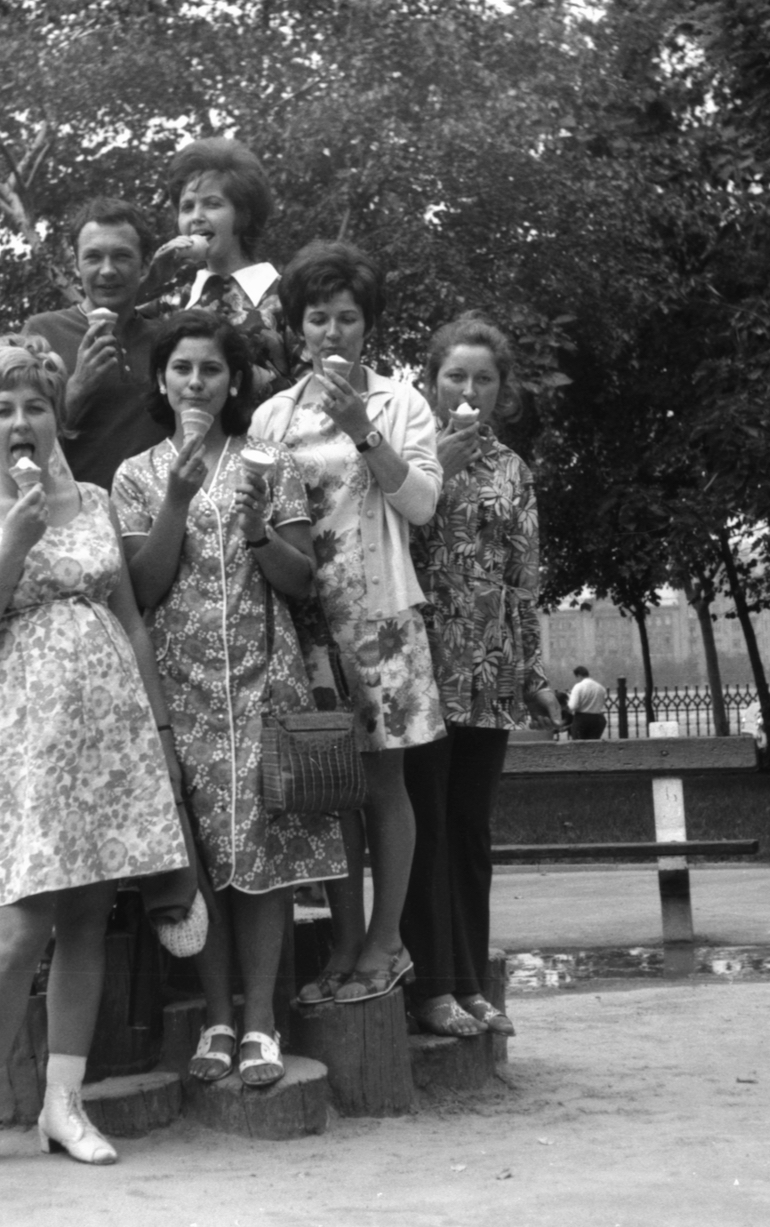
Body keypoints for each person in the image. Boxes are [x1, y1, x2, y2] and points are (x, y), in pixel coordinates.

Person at [0, 335, 193, 1174]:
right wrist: (11, 545)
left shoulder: (97, 499)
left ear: (55, 417)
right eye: (2, 408)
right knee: (19, 925)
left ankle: (63, 1106)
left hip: (109, 737)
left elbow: (131, 621)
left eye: (35, 404)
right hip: (19, 743)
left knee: (87, 920)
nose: (20, 421)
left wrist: (159, 733)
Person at [113, 310, 346, 1087]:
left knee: (263, 856)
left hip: (264, 685)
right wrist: (177, 501)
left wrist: (255, 530)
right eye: (181, 368)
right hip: (181, 692)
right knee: (204, 856)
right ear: (161, 379)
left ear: (235, 379)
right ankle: (216, 1018)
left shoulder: (268, 462)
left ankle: (260, 1022)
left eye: (211, 368)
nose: (196, 382)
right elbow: (141, 589)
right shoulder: (136, 475)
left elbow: (302, 580)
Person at [250, 240, 445, 1005]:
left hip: (380, 617)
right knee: (330, 785)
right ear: (297, 327)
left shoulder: (401, 403)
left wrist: (364, 428)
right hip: (305, 622)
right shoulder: (272, 414)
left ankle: (386, 940)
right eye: (317, 319)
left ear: (369, 324)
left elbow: (421, 505)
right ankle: (342, 940)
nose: (332, 332)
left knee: (384, 780)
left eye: (346, 318)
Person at [401, 316, 565, 1039]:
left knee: (469, 831)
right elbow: (383, 540)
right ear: (431, 381)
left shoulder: (513, 471)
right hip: (418, 670)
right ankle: (432, 987)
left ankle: (471, 984)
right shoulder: (406, 455)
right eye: (455, 376)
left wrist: (532, 673)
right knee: (425, 829)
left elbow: (524, 579)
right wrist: (432, 464)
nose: (469, 390)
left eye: (484, 378)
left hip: (489, 673)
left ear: (503, 390)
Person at [23, 198, 169, 488]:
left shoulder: (166, 339)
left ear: (144, 264)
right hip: (76, 508)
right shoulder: (41, 333)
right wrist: (77, 387)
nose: (107, 270)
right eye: (93, 257)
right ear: (75, 263)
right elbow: (18, 439)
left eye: (122, 256)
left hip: (159, 507)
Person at [150, 137, 293, 396]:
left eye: (212, 204)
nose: (196, 217)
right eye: (187, 207)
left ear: (243, 215)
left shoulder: (287, 295)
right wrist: (153, 279)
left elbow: (312, 387)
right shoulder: (173, 300)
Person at [570, 666, 608, 740]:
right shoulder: (600, 688)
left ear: (579, 676)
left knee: (578, 743)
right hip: (597, 719)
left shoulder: (578, 687)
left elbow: (573, 706)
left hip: (581, 719)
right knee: (593, 743)